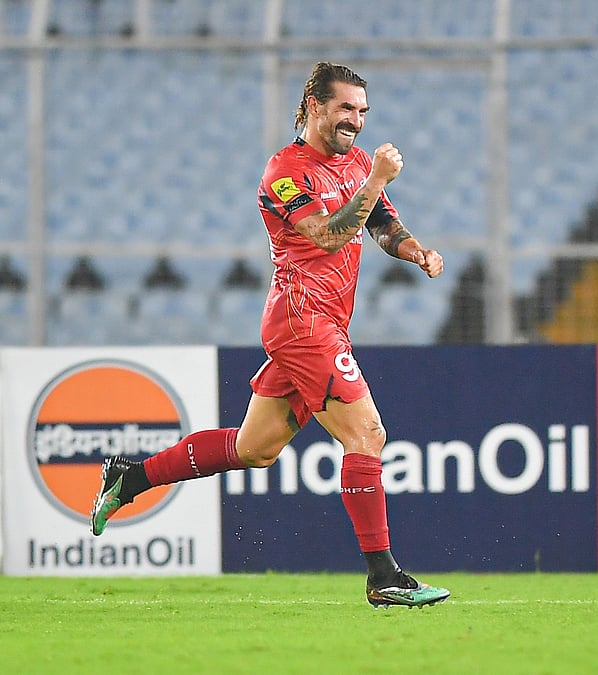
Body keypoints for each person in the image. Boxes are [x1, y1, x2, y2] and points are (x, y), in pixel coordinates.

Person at [90, 62, 450, 609]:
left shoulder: (356, 163)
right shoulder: (285, 171)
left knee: (253, 449)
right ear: (314, 105)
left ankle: (131, 478)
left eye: (362, 111)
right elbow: (327, 236)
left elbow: (379, 224)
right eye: (345, 108)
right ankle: (384, 577)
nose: (356, 120)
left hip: (324, 322)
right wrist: (377, 179)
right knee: (367, 435)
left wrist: (415, 250)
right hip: (304, 322)